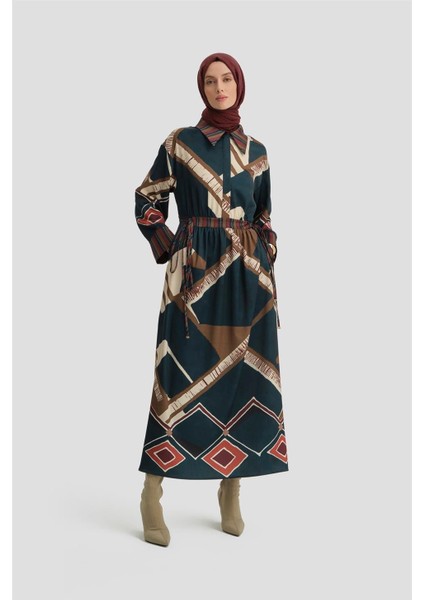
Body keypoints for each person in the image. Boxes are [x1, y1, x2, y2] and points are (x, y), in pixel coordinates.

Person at [134, 52, 289, 547]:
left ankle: (231, 488)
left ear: (239, 85)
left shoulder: (257, 151)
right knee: (176, 380)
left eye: (227, 80)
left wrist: (265, 252)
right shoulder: (179, 142)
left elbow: (264, 215)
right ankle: (152, 492)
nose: (219, 88)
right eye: (210, 81)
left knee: (244, 378)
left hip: (248, 280)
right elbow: (147, 198)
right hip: (194, 277)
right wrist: (173, 246)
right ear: (201, 88)